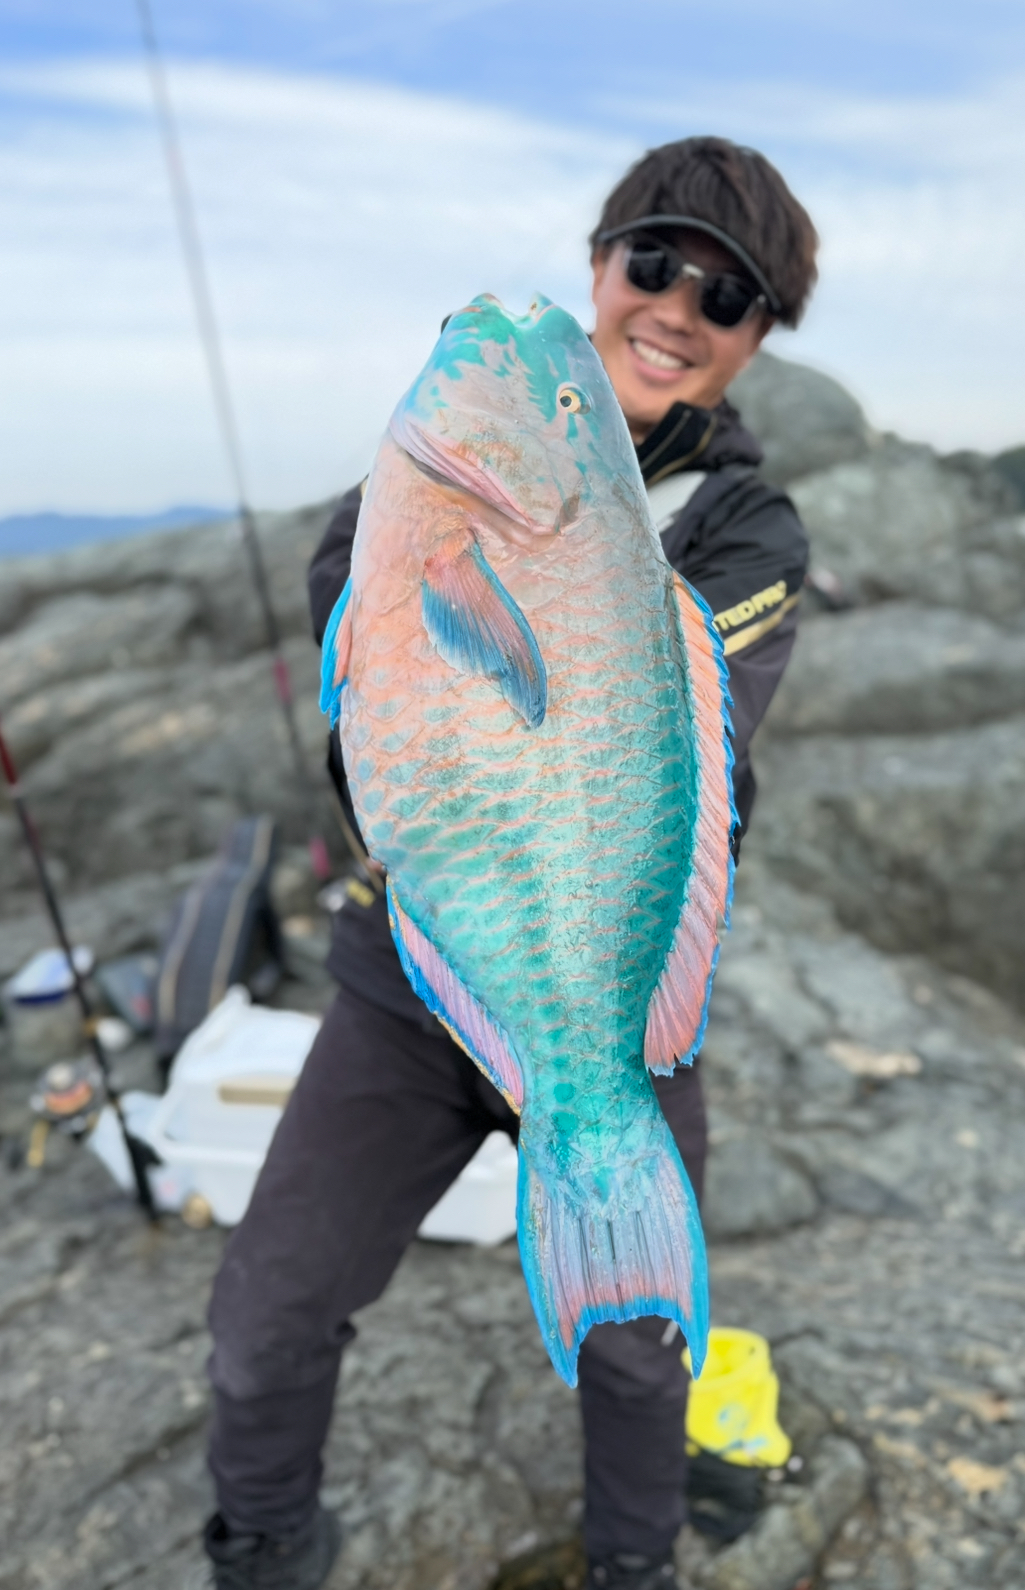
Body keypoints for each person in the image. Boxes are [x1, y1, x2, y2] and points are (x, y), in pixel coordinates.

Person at [201, 135, 818, 1590]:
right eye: (652, 261)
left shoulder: (748, 530)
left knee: (640, 1350)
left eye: (726, 295)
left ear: (757, 336)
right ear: (601, 264)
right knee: (266, 1316)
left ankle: (634, 1563)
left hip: (608, 985)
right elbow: (362, 661)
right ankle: (262, 1544)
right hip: (408, 980)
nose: (677, 307)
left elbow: (690, 756)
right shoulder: (408, 492)